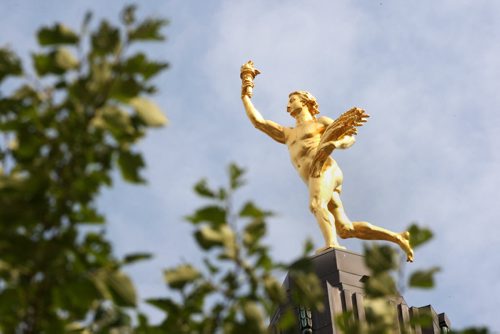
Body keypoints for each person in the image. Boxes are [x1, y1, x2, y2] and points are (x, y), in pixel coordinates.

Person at [240, 71, 414, 262]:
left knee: (316, 205)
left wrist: (335, 144)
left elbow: (349, 137)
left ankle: (332, 245)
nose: (288, 104)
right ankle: (398, 237)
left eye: (292, 99)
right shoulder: (287, 133)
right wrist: (246, 89)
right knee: (345, 229)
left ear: (305, 101)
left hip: (323, 167)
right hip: (317, 177)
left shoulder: (320, 123)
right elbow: (258, 122)